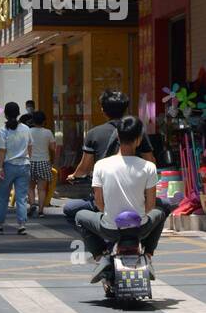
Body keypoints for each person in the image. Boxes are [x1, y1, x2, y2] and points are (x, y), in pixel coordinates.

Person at [73, 115, 165, 283]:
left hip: (110, 228)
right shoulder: (149, 167)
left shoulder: (101, 166)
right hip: (140, 228)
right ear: (138, 139)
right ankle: (149, 255)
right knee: (160, 213)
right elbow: (151, 205)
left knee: (80, 216)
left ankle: (101, 256)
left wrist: (110, 214)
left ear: (117, 137)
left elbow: (99, 204)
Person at [62, 90, 156, 230]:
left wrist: (74, 176)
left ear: (103, 110)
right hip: (137, 204)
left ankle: (97, 244)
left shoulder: (95, 136)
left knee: (70, 209)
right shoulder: (137, 134)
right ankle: (148, 251)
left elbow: (85, 167)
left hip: (107, 215)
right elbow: (151, 160)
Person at [0, 101, 32, 234]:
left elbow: (2, 150)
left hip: (8, 166)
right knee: (21, 197)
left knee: (2, 196)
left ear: (5, 115)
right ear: (18, 114)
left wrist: (0, 167)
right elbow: (30, 147)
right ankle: (22, 224)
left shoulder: (3, 130)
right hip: (24, 165)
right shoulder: (26, 129)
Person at [27, 110, 57, 217]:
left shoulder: (28, 132)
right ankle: (40, 210)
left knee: (30, 187)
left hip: (30, 162)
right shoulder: (48, 132)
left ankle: (31, 205)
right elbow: (53, 148)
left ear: (33, 121)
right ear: (44, 121)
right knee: (42, 189)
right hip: (44, 162)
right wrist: (53, 160)